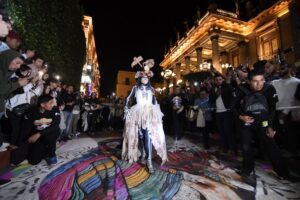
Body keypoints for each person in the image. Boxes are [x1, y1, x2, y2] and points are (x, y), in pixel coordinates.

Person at [232, 68, 296, 184]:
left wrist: (270, 126)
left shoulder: (269, 88)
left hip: (264, 122)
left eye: (262, 80)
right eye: (255, 81)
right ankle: (247, 171)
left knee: (272, 146)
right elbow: (233, 106)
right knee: (246, 147)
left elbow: (272, 110)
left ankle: (284, 173)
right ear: (249, 81)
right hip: (247, 122)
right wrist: (241, 117)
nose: (259, 84)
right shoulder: (241, 89)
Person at [122, 57, 167, 173]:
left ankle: (149, 160)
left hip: (149, 113)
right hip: (138, 113)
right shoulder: (135, 87)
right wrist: (127, 110)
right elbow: (128, 99)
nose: (145, 78)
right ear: (140, 77)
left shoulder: (152, 89)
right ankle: (142, 153)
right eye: (143, 77)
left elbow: (155, 101)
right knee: (140, 134)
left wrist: (158, 113)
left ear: (149, 78)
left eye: (147, 77)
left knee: (148, 134)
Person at [0, 94, 60, 169]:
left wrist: (39, 134)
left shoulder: (55, 110)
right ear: (42, 105)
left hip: (51, 133)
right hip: (38, 136)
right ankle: (45, 151)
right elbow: (25, 129)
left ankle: (52, 155)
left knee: (49, 137)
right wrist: (18, 144)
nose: (53, 104)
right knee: (34, 161)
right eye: (50, 103)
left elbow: (55, 126)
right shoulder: (31, 111)